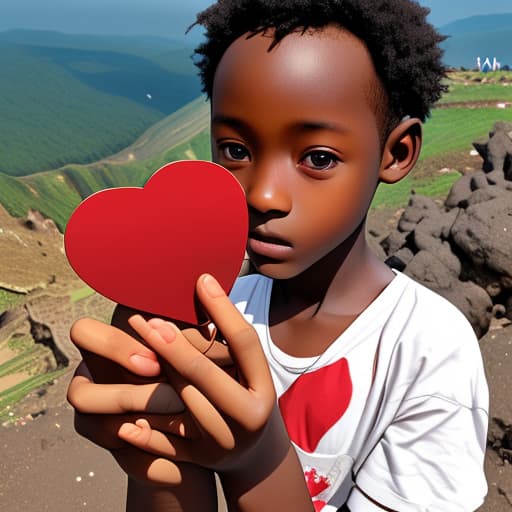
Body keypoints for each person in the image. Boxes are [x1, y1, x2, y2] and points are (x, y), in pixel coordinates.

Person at [66, 0, 489, 510]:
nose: (262, 194)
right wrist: (156, 450)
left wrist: (258, 461)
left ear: (395, 153)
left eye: (318, 158)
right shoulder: (217, 315)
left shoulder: (426, 352)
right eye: (235, 150)